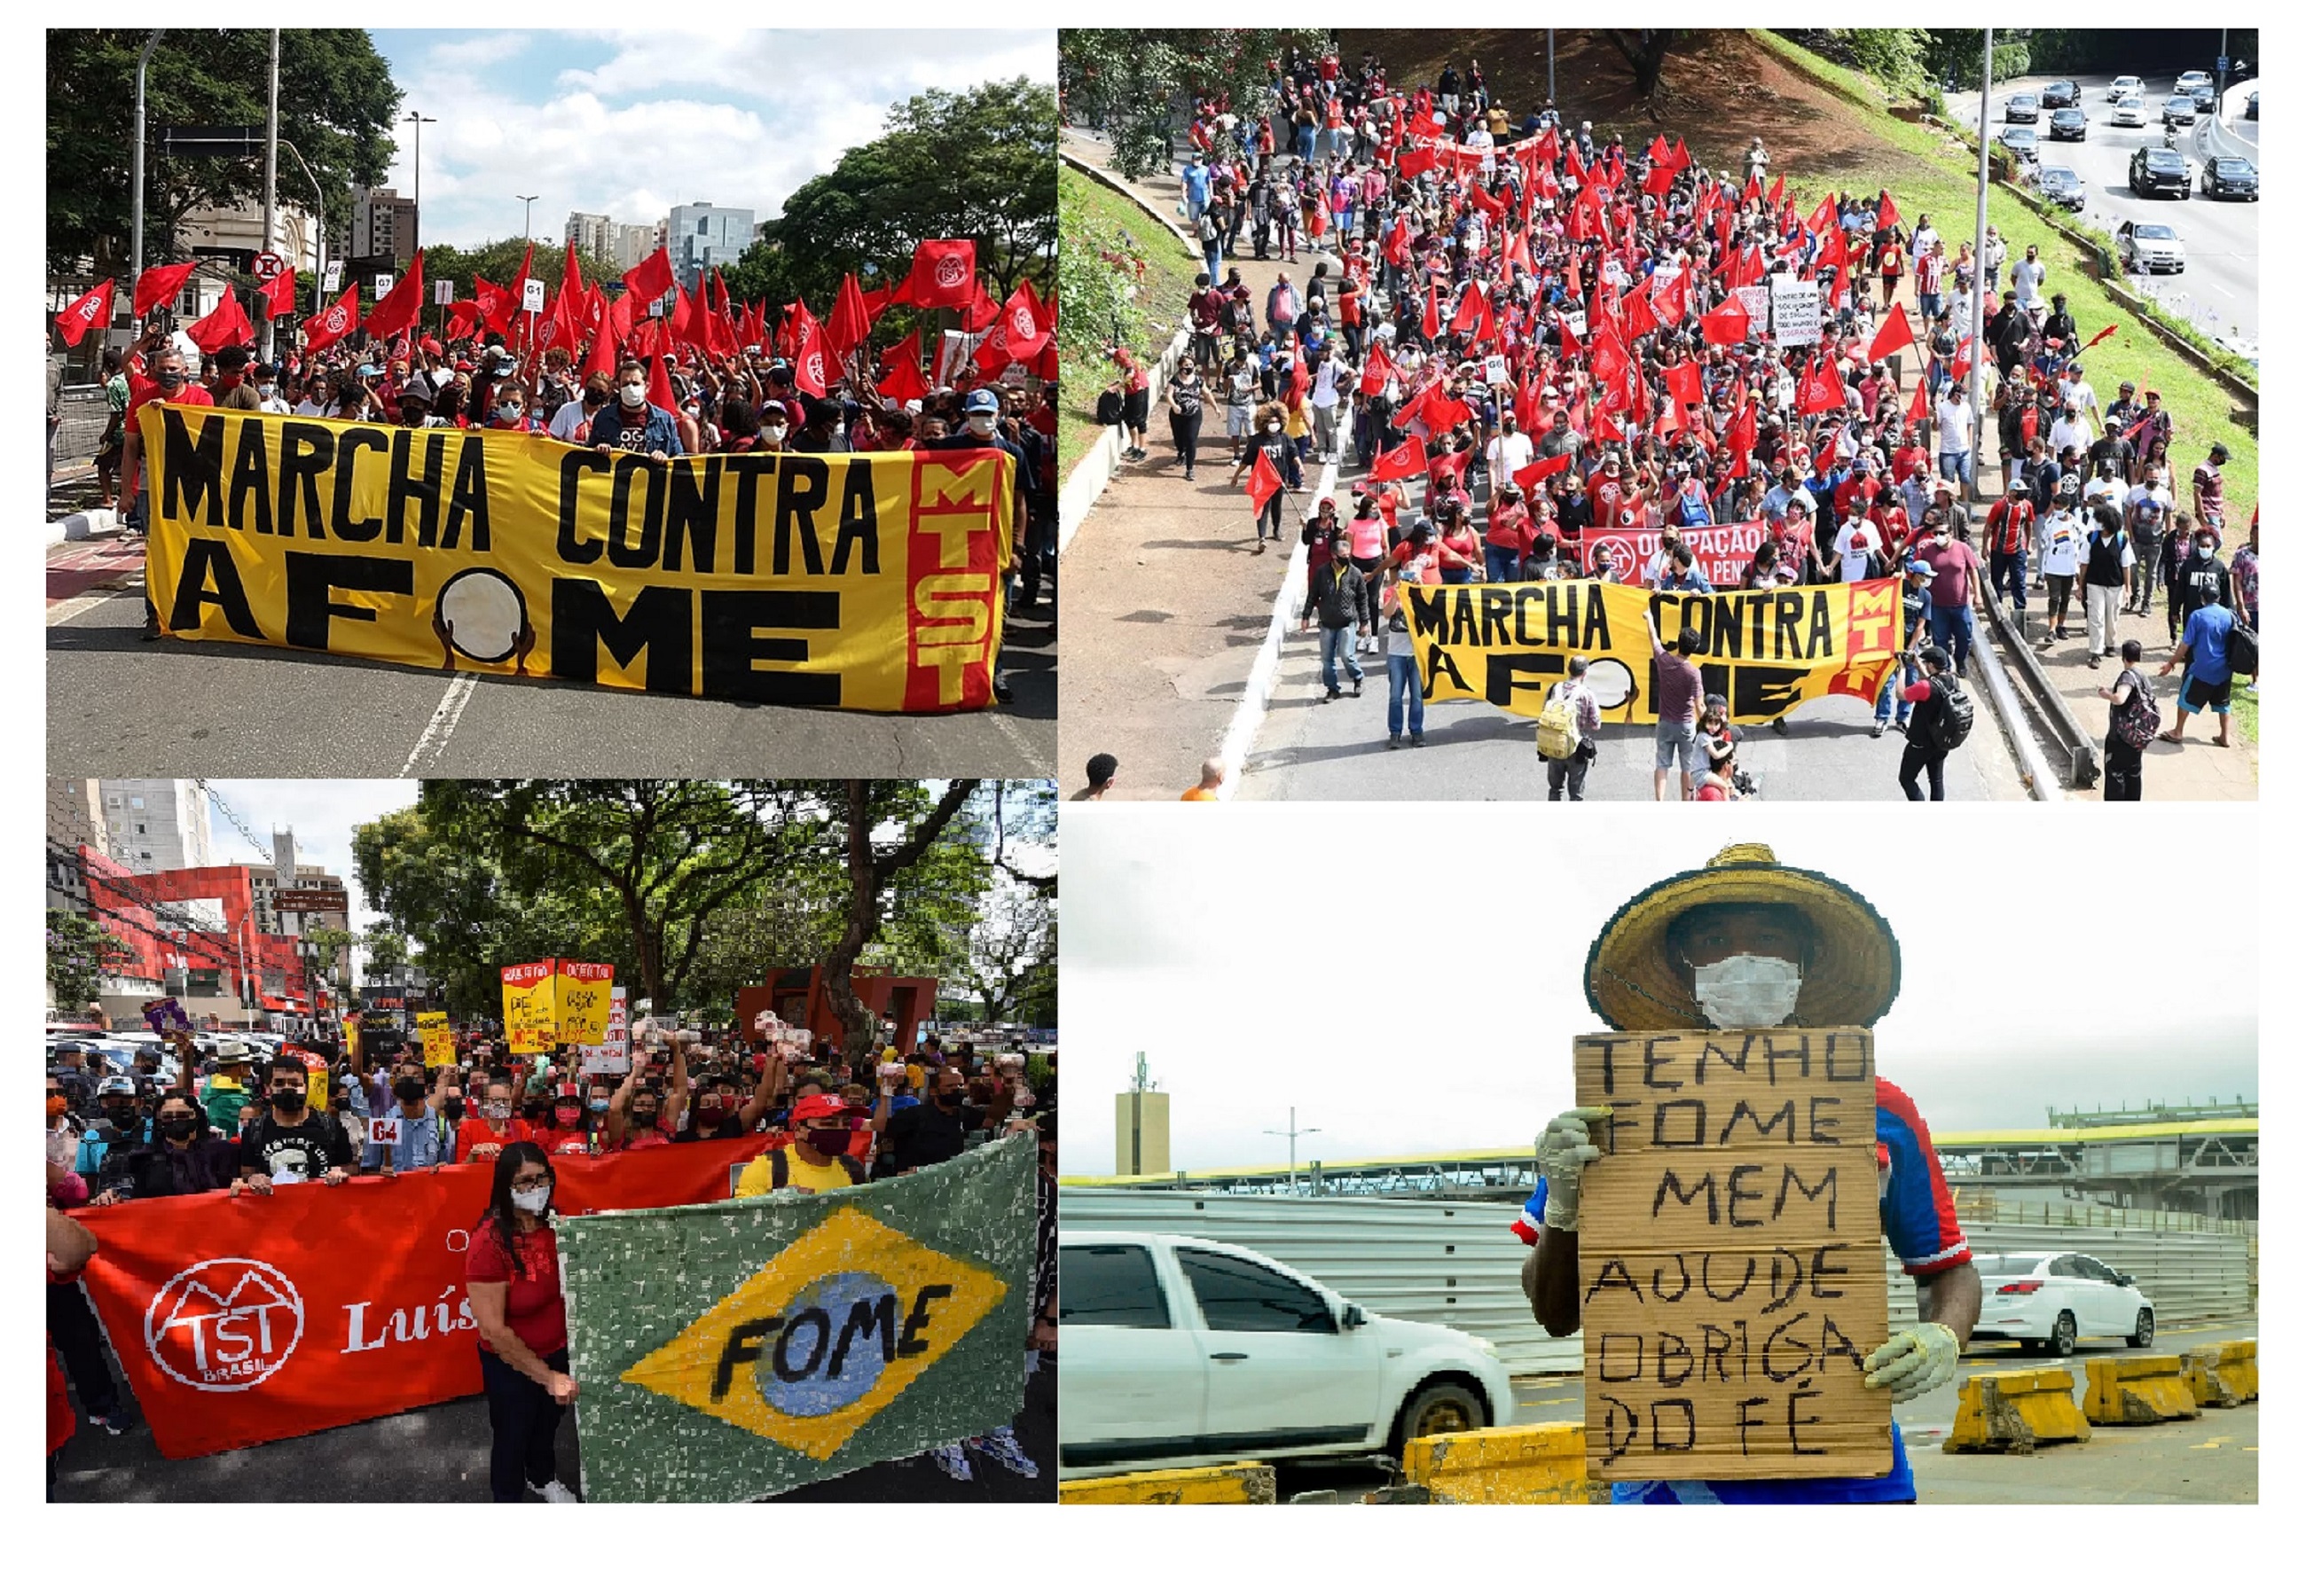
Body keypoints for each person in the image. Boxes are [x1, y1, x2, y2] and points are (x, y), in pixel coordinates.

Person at [1520, 843, 1980, 1504]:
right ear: (1684, 967)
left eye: (1769, 938)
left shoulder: (1877, 1111)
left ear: (1804, 961)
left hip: (1850, 1485)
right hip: (1670, 1491)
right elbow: (1555, 1313)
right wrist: (1564, 1207)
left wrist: (1944, 1334)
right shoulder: (1612, 1117)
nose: (1744, 958)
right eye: (1714, 939)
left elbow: (1948, 1268)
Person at [466, 1143, 580, 1502]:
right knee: (512, 1438)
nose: (535, 1189)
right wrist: (547, 1378)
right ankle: (509, 1497)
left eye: (541, 1178)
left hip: (557, 1350)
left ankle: (542, 1477)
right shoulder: (489, 1243)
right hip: (511, 1365)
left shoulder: (554, 1223)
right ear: (505, 1186)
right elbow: (493, 1330)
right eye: (524, 1182)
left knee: (547, 1427)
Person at [88, 1086, 238, 1202]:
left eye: (182, 1115)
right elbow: (125, 1192)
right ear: (159, 1120)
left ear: (197, 1116)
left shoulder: (224, 1152)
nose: (175, 1121)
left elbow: (240, 1184)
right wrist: (111, 1196)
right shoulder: (141, 1158)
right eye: (167, 1117)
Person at [232, 1055, 355, 1192]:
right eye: (279, 1083)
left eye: (295, 1084)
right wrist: (252, 1179)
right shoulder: (254, 1131)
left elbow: (352, 1171)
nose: (287, 1089)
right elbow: (246, 1173)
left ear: (306, 1088)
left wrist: (341, 1173)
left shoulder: (332, 1127)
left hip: (321, 1209)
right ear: (268, 1089)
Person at [2159, 591, 2237, 749]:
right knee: (2223, 703)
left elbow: (2184, 645)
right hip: (2224, 670)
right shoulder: (2229, 615)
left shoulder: (2197, 616)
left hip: (2202, 668)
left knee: (2185, 698)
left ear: (2202, 599)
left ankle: (2178, 731)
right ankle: (2225, 736)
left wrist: (2171, 663)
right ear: (2219, 598)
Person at [1644, 613, 1705, 802]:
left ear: (1678, 642)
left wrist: (1649, 619)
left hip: (1665, 722)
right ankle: (1685, 802)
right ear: (1694, 648)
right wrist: (1711, 726)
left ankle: (1659, 802)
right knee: (1687, 766)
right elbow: (1699, 705)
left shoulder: (1664, 661)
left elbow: (1653, 638)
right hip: (1686, 725)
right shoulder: (1694, 673)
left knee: (1662, 764)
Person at [1301, 531, 1367, 700]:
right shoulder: (1322, 572)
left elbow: (1362, 599)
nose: (1347, 558)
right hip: (1327, 622)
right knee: (1327, 660)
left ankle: (1358, 678)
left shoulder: (1355, 573)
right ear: (1333, 556)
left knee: (1347, 655)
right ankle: (1332, 689)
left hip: (1347, 622)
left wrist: (1364, 622)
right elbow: (1313, 594)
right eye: (1343, 555)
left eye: (1348, 555)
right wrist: (1306, 616)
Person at [883, 1067, 986, 1174]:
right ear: (934, 1091)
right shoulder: (913, 1115)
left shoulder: (966, 1114)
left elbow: (994, 1118)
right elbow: (885, 1133)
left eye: (960, 1085)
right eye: (950, 1086)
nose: (957, 1089)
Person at [1894, 645, 1958, 801]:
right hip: (1941, 742)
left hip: (1921, 743)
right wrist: (1918, 666)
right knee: (1936, 781)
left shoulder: (1925, 687)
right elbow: (1935, 682)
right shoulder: (1953, 680)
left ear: (1930, 665)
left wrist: (1902, 669)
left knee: (1907, 779)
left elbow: (1900, 694)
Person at [587, 359, 682, 458]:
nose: (630, 388)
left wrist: (664, 457)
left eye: (635, 383)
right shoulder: (603, 417)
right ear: (619, 388)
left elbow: (679, 457)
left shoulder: (665, 420)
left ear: (647, 386)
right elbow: (587, 455)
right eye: (625, 384)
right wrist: (598, 449)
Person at [2098, 638, 2154, 800]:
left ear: (2124, 657)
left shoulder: (2128, 677)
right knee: (2134, 774)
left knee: (2115, 774)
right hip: (2138, 736)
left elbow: (2120, 698)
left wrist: (2107, 694)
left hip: (2121, 737)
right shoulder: (2144, 677)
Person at [1540, 655, 1602, 800]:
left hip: (1553, 745)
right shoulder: (1587, 694)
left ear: (1569, 670)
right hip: (1576, 748)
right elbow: (1596, 725)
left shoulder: (1554, 688)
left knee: (1555, 789)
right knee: (1576, 794)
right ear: (1585, 673)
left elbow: (1544, 712)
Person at [2080, 502, 2134, 666]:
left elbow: (2126, 566)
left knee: (2112, 617)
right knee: (2096, 618)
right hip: (2094, 584)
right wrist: (2080, 587)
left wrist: (2128, 587)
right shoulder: (2091, 538)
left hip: (2115, 586)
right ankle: (2096, 652)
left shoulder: (2121, 541)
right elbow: (2084, 563)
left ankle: (2110, 643)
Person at [1379, 567, 1425, 749]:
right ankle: (1395, 733)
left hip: (1416, 654)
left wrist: (1419, 589)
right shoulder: (1391, 591)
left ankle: (1417, 731)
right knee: (1395, 696)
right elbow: (1387, 614)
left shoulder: (1421, 592)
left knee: (1417, 696)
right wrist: (1398, 594)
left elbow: (1429, 613)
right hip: (1396, 654)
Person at [1165, 356, 1205, 480]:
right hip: (1177, 415)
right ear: (1180, 366)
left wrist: (1215, 407)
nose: (1189, 367)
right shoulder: (1174, 380)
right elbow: (1168, 395)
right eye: (1186, 364)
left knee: (1191, 439)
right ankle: (1180, 452)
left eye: (1191, 364)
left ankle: (1190, 469)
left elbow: (1207, 393)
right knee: (1179, 438)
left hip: (1194, 414)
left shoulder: (1198, 380)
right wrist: (1174, 406)